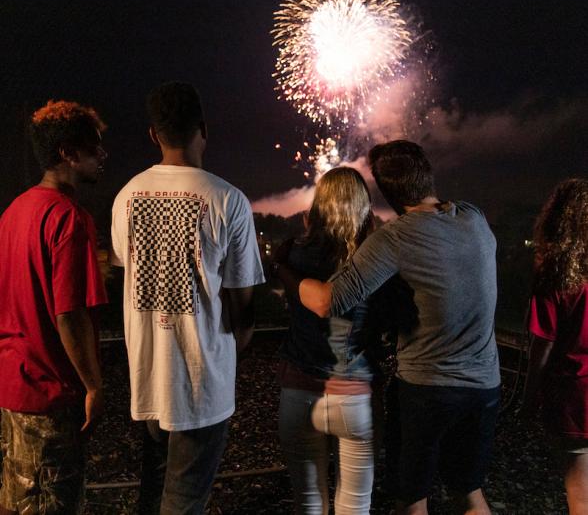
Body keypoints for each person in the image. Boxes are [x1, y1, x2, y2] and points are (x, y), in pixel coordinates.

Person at [287, 140, 501, 515]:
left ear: (386, 193)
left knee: (412, 499)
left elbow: (327, 301)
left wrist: (283, 272)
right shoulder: (474, 217)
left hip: (427, 388)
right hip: (484, 386)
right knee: (469, 493)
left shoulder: (395, 238)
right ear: (427, 174)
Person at [111, 81, 265, 514]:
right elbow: (243, 299)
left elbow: (129, 273)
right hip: (202, 381)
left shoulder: (125, 198)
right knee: (185, 499)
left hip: (147, 371)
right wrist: (240, 339)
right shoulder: (228, 199)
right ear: (203, 128)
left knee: (153, 488)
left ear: (152, 135)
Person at [0, 100, 108, 514]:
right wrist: (94, 386)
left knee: (15, 500)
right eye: (93, 146)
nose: (102, 155)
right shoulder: (69, 218)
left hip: (12, 386)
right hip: (49, 395)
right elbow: (69, 315)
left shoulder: (13, 212)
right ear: (67, 153)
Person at [276, 166, 396, 514]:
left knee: (308, 503)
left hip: (299, 393)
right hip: (356, 395)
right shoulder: (373, 259)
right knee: (355, 506)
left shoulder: (293, 255)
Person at [521, 178, 588, 515]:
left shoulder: (556, 271)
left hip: (575, 397)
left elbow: (543, 343)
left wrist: (529, 398)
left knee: (580, 492)